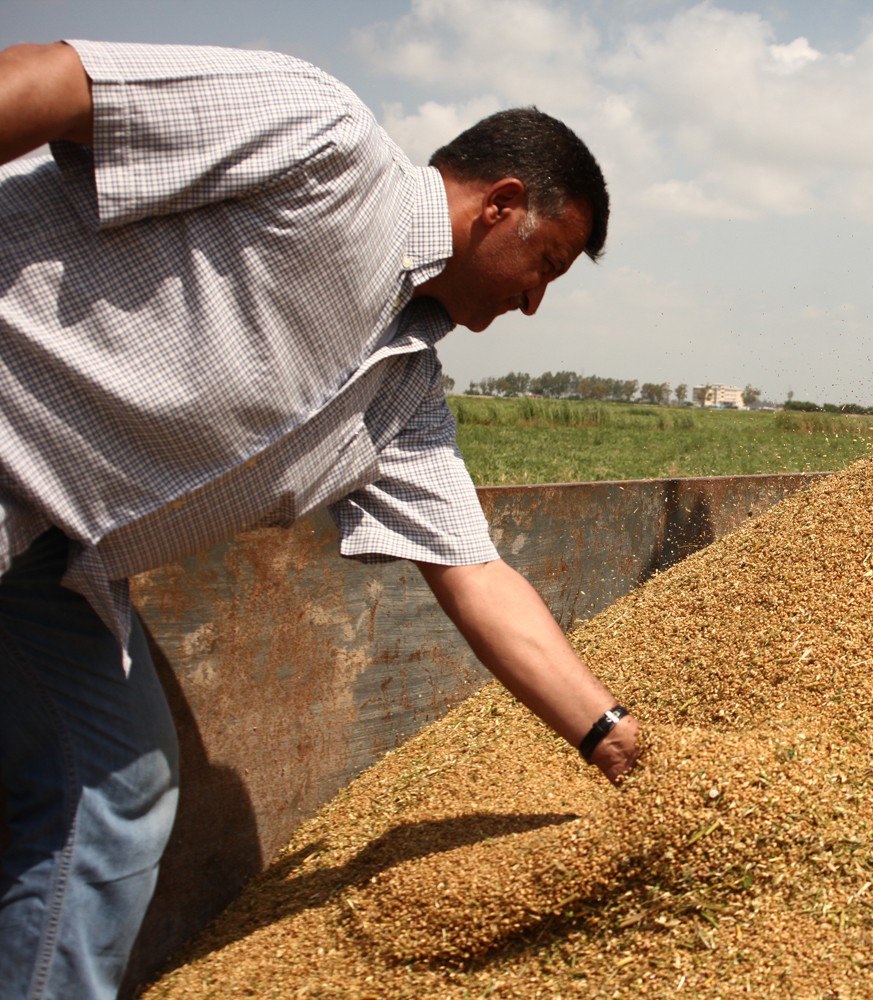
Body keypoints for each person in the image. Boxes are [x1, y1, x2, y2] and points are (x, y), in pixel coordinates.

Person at [0, 40, 640, 998]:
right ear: (499, 204)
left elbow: (475, 574)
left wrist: (609, 736)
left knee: (114, 792)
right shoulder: (322, 141)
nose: (533, 303)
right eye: (541, 264)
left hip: (58, 562)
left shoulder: (403, 397)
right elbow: (55, 84)